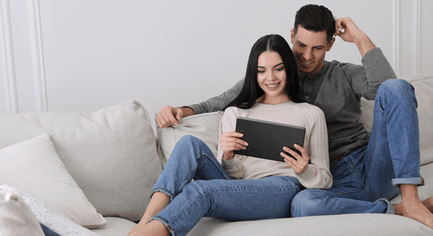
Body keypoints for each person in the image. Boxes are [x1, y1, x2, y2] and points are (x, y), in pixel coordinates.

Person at [154, 4, 433, 231]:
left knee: (397, 87)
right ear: (291, 37)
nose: (307, 56)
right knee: (303, 204)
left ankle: (411, 200)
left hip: (371, 165)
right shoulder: (277, 74)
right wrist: (184, 110)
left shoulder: (344, 73)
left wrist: (361, 38)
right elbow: (228, 98)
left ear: (330, 45)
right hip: (329, 181)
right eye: (300, 46)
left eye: (317, 48)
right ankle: (394, 211)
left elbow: (386, 88)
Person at [129, 34, 331, 236]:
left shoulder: (311, 113)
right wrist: (227, 156)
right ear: (253, 73)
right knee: (188, 143)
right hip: (238, 189)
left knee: (200, 190)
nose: (270, 78)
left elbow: (326, 179)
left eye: (278, 69)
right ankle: (144, 224)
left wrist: (304, 170)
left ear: (289, 68)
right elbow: (233, 176)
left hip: (281, 189)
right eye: (261, 71)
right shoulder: (235, 112)